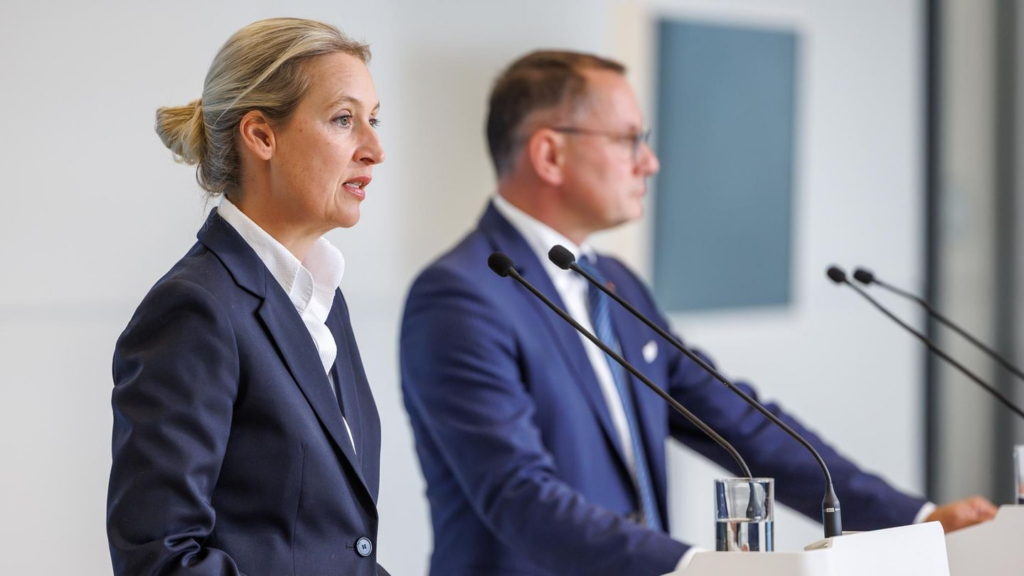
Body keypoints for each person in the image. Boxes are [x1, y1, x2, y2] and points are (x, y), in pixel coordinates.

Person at [399, 50, 996, 576]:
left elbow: (738, 420)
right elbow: (519, 495)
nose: (650, 162)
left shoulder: (615, 282)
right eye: (630, 138)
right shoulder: (460, 297)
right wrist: (693, 568)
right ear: (550, 154)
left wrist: (913, 517)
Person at [107, 18, 388, 575]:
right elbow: (160, 560)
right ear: (261, 134)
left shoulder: (323, 298)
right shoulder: (195, 309)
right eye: (344, 119)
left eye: (374, 121)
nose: (374, 150)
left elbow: (333, 546)